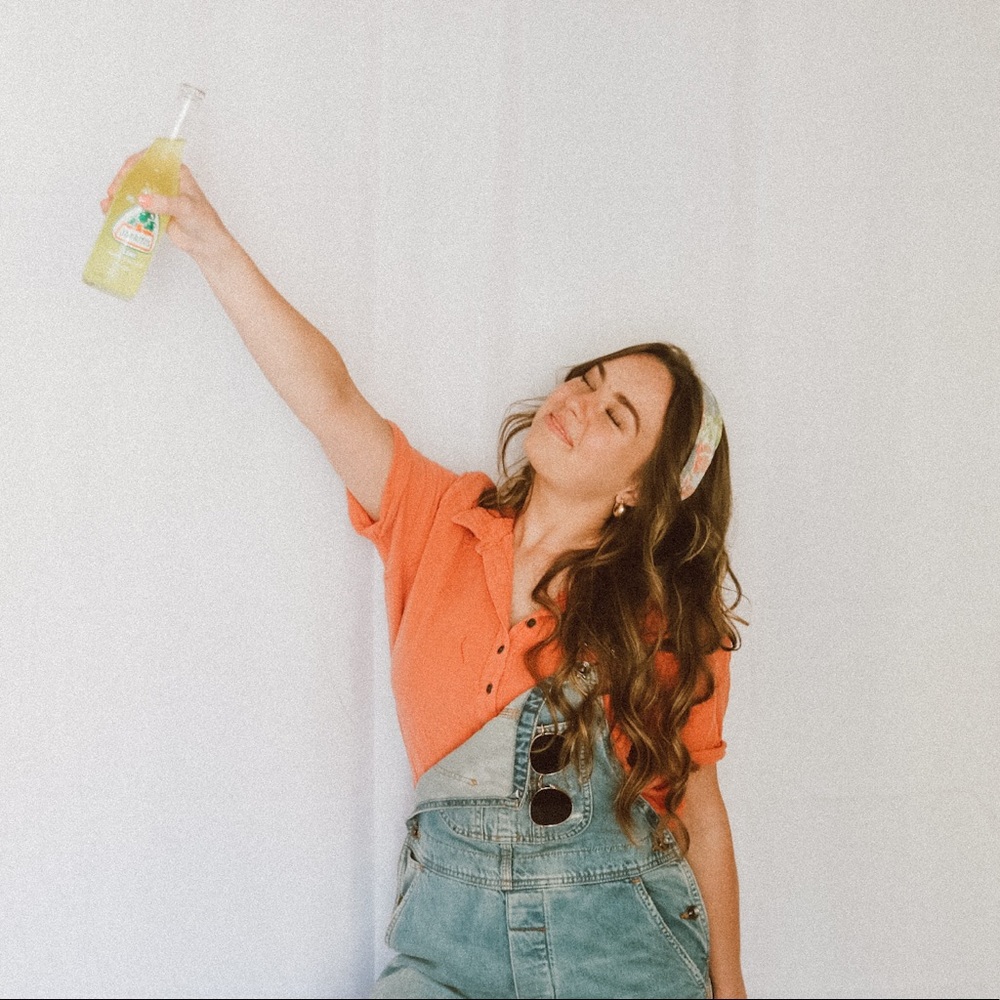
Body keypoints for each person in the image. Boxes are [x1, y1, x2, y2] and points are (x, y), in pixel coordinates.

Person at [100, 157, 747, 999]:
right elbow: (327, 397)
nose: (579, 401)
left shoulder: (664, 623)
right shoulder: (439, 519)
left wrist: (730, 986)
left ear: (639, 488)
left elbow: (699, 806)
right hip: (450, 945)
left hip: (620, 954)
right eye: (587, 379)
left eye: (615, 413)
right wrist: (211, 242)